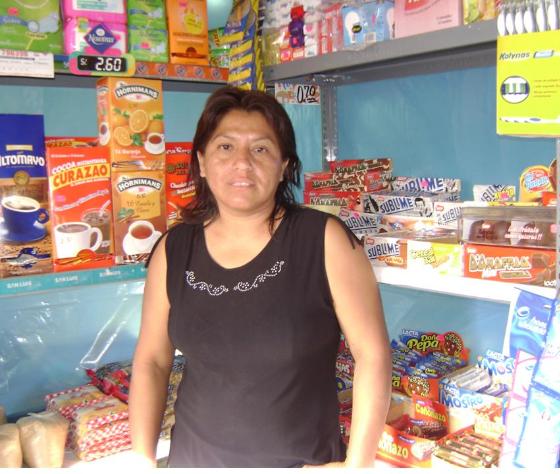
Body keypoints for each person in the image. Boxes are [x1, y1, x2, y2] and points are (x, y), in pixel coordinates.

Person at [128, 85, 392, 468]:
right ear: (202, 162)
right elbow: (152, 361)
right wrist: (141, 458)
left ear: (283, 165)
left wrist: (358, 465)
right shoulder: (175, 248)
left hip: (301, 463)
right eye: (225, 147)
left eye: (261, 149)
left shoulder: (324, 240)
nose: (242, 163)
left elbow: (373, 355)